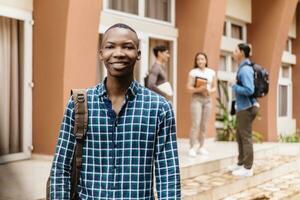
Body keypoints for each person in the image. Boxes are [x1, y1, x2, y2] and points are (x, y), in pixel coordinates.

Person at [50, 23, 181, 199]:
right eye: (110, 47)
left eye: (127, 47)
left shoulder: (160, 107)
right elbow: (61, 168)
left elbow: (168, 174)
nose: (118, 53)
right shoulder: (78, 104)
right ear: (101, 54)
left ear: (138, 54)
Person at [227, 43, 259, 177]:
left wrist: (234, 86)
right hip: (243, 107)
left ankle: (248, 167)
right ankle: (240, 163)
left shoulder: (245, 69)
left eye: (235, 50)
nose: (233, 53)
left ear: (241, 52)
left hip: (246, 108)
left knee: (245, 138)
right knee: (240, 137)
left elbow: (249, 90)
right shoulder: (242, 67)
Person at [186, 52, 216, 157]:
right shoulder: (193, 72)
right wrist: (198, 89)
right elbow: (189, 88)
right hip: (196, 99)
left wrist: (208, 91)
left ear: (206, 60)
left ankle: (201, 146)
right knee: (196, 124)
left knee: (204, 125)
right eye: (198, 59)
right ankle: (192, 147)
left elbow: (214, 87)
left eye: (202, 59)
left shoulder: (211, 72)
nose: (200, 61)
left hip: (207, 99)